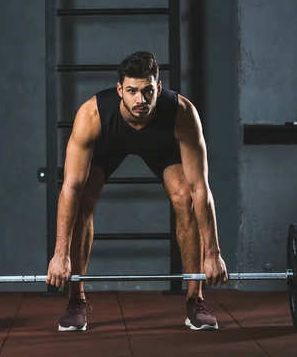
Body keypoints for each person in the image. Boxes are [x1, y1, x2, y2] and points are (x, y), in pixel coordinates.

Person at [46, 51, 228, 332]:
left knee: (186, 198)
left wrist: (213, 254)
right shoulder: (92, 115)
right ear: (120, 90)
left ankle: (196, 300)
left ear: (159, 88)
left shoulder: (181, 113)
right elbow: (70, 186)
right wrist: (60, 255)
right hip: (109, 144)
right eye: (131, 91)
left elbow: (200, 187)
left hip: (161, 147)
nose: (140, 100)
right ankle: (76, 301)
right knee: (82, 199)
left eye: (147, 91)